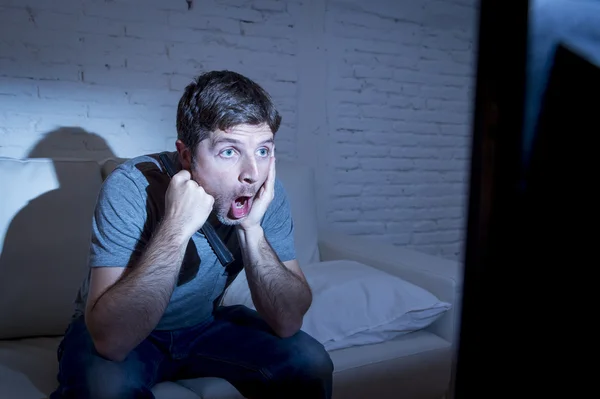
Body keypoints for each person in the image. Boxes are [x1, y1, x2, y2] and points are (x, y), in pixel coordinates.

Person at [49, 70, 334, 399]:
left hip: (203, 326)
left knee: (310, 362)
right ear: (186, 155)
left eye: (263, 151)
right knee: (106, 389)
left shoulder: (267, 193)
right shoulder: (130, 187)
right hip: (124, 331)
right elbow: (112, 342)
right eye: (229, 151)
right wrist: (175, 228)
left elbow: (287, 321)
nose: (253, 175)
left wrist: (251, 229)